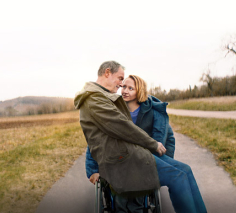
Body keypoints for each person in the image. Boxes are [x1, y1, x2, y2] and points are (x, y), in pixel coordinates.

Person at [74, 61, 207, 213]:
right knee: (177, 177)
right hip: (124, 160)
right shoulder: (96, 99)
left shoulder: (107, 98)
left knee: (185, 170)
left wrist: (164, 158)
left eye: (129, 87)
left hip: (135, 154)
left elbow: (167, 137)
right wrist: (92, 169)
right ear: (107, 73)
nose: (121, 85)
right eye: (120, 80)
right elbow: (102, 138)